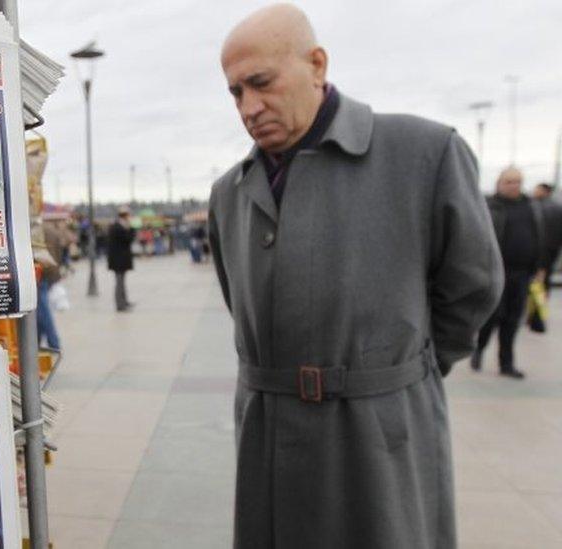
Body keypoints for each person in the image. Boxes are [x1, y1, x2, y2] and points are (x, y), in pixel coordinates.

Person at [209, 5, 502, 548]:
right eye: (235, 93)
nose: (249, 107)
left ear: (316, 64)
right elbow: (240, 300)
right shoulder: (229, 193)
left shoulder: (424, 153)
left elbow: (473, 286)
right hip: (267, 438)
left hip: (379, 439)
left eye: (261, 83)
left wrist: (395, 372)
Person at [472, 168, 547, 378]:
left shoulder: (531, 206)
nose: (514, 185)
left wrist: (540, 267)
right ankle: (479, 347)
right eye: (509, 182)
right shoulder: (489, 206)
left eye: (518, 181)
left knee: (512, 320)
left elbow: (540, 237)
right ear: (499, 183)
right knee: (493, 316)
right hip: (495, 274)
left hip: (522, 273)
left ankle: (507, 363)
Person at [533, 182, 562, 293]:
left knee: (536, 281)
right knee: (545, 280)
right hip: (552, 251)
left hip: (540, 252)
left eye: (537, 189)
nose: (535, 192)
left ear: (545, 191)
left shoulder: (538, 207)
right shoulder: (558, 208)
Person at [107, 206, 136, 312]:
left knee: (122, 282)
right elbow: (128, 239)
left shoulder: (118, 226)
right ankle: (120, 305)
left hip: (120, 260)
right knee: (119, 283)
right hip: (118, 261)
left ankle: (124, 301)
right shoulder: (118, 227)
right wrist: (131, 229)